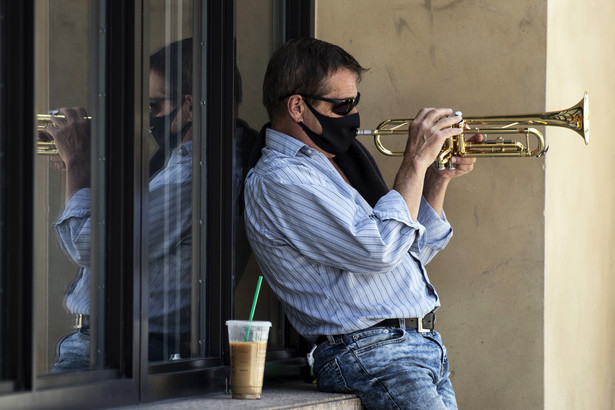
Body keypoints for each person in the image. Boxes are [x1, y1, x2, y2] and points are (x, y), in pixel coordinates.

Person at [243, 37, 483, 409]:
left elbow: (409, 251)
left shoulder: (331, 165)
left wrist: (436, 178)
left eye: (355, 102)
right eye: (342, 105)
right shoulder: (280, 178)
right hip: (371, 353)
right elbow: (380, 249)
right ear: (297, 106)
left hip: (414, 347)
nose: (353, 114)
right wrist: (413, 162)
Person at [41, 37, 194, 371]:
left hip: (112, 347)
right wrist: (79, 168)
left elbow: (88, 246)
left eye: (154, 106)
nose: (148, 116)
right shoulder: (176, 165)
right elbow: (124, 231)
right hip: (114, 343)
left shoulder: (189, 174)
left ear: (189, 107)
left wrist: (79, 166)